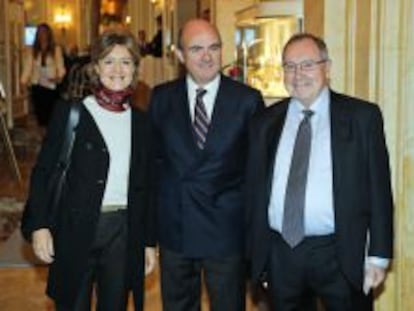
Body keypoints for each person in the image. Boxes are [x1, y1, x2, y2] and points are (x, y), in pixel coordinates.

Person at [246, 32, 394, 310]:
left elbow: (379, 190)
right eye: (289, 66)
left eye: (307, 64)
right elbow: (254, 194)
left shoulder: (362, 118)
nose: (297, 74)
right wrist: (258, 258)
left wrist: (378, 256)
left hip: (340, 253)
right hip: (282, 254)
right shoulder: (264, 123)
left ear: (328, 68)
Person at [21, 28, 156, 311]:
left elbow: (147, 187)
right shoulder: (71, 113)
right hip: (75, 229)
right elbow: (44, 171)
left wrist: (147, 242)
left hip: (122, 232)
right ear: (96, 67)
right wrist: (40, 226)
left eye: (126, 62)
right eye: (109, 61)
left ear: (135, 69)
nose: (117, 69)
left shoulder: (142, 123)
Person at [149, 18, 264, 311]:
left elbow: (257, 174)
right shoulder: (161, 98)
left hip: (226, 230)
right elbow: (153, 166)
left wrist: (255, 236)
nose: (206, 56)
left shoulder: (247, 101)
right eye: (196, 48)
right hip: (176, 227)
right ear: (179, 55)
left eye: (214, 47)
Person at [20, 23, 66, 127]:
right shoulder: (32, 50)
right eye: (40, 32)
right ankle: (43, 134)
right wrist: (23, 82)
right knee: (40, 113)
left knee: (51, 114)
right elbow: (27, 67)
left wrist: (58, 77)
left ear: (49, 34)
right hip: (37, 84)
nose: (42, 35)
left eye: (44, 32)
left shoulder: (56, 49)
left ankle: (51, 134)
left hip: (51, 85)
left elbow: (61, 67)